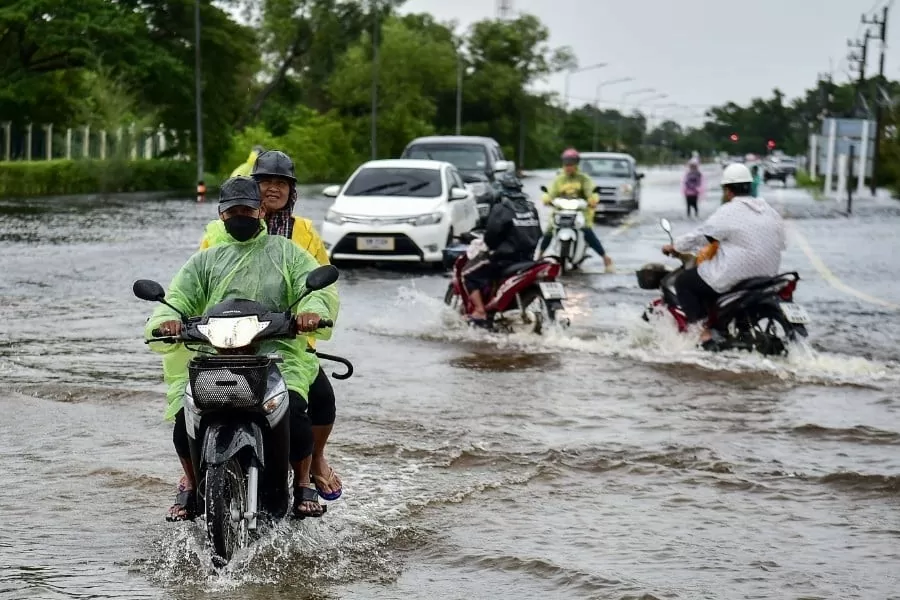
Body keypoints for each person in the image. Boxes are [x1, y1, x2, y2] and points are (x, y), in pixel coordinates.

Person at [147, 176, 339, 520]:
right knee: (183, 419)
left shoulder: (287, 253)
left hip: (275, 354)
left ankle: (302, 485)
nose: (240, 216)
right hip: (215, 355)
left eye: (246, 210)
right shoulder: (205, 260)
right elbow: (176, 297)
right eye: (233, 211)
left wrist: (312, 313)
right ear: (222, 215)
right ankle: (191, 485)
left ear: (260, 211)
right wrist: (168, 320)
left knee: (295, 413)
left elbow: (315, 289)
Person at [198, 150, 342, 501]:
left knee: (318, 400)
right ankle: (191, 474)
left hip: (286, 336)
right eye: (265, 182)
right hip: (229, 337)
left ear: (291, 191)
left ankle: (312, 466)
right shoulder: (219, 232)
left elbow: (320, 282)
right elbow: (198, 280)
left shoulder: (303, 233)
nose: (273, 189)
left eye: (282, 183)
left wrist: (309, 315)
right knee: (192, 402)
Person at [661, 163, 785, 349]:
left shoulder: (729, 211)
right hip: (767, 276)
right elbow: (782, 242)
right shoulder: (770, 211)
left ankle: (703, 335)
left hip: (737, 276)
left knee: (684, 282)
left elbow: (701, 236)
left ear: (727, 190)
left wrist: (675, 245)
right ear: (750, 186)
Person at [463, 174, 542, 325]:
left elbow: (491, 237)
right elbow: (539, 234)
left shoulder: (501, 208)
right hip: (527, 259)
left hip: (504, 260)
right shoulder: (531, 208)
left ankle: (479, 311)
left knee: (467, 273)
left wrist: (491, 249)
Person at [538, 148, 614, 273]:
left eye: (571, 163)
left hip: (580, 212)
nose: (568, 166)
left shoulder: (584, 179)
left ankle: (605, 258)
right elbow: (550, 193)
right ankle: (539, 256)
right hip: (561, 211)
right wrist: (546, 198)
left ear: (576, 164)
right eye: (566, 163)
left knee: (587, 231)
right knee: (549, 230)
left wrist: (593, 199)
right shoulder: (559, 179)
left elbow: (591, 192)